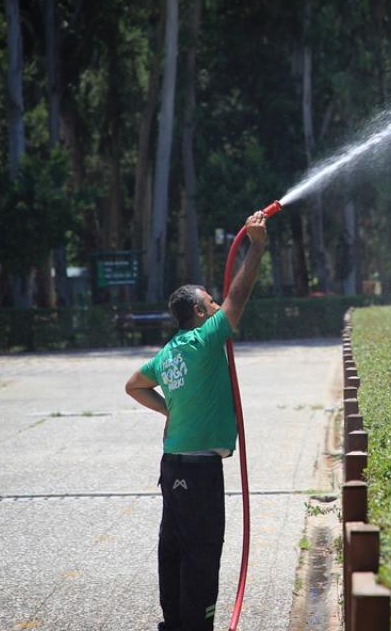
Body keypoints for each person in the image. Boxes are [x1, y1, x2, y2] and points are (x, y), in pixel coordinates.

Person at [124, 210, 269, 631]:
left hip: (172, 466)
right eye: (211, 302)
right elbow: (239, 297)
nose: (217, 304)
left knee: (173, 547)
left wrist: (169, 410)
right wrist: (257, 247)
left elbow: (133, 385)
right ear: (199, 312)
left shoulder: (169, 352)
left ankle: (173, 624)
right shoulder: (206, 340)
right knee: (202, 551)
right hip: (200, 471)